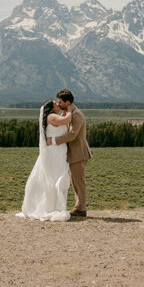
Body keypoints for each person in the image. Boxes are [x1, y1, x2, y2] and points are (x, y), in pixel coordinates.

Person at [17, 100, 73, 221]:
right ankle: (51, 205)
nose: (58, 104)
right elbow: (67, 120)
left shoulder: (55, 116)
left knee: (56, 176)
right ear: (51, 107)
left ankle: (52, 204)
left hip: (59, 151)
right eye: (55, 103)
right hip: (54, 152)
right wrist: (70, 109)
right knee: (55, 176)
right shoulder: (52, 116)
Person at [45, 89, 91, 217]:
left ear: (67, 102)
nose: (58, 104)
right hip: (74, 154)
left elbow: (72, 135)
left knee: (79, 182)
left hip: (78, 153)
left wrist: (54, 140)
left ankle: (81, 209)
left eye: (60, 102)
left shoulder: (76, 115)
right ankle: (78, 206)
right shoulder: (69, 113)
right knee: (75, 181)